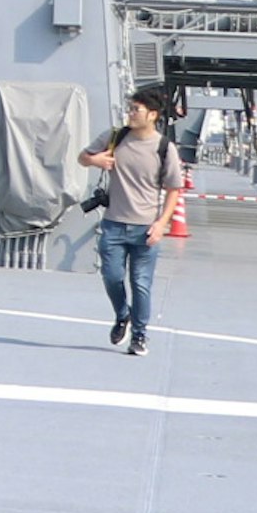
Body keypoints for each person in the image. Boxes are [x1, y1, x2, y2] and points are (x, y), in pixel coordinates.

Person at [80, 88, 185, 354]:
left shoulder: (164, 148)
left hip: (145, 228)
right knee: (112, 276)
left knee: (141, 283)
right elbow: (83, 157)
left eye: (136, 110)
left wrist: (162, 224)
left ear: (152, 115)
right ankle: (122, 314)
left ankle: (139, 335)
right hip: (113, 224)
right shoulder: (116, 136)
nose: (130, 113)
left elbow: (174, 189)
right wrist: (95, 160)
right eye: (130, 108)